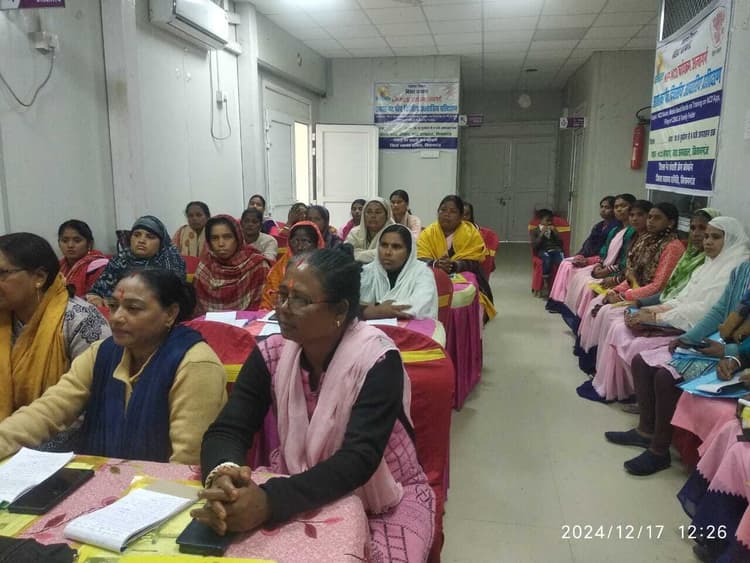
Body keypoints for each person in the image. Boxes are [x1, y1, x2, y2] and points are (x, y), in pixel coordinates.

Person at [194, 249, 435, 561]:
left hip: (383, 497)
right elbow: (228, 429)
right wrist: (225, 478)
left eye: (300, 300)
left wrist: (269, 503)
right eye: (282, 295)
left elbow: (359, 459)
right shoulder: (273, 352)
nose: (282, 308)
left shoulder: (377, 359)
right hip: (296, 480)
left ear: (340, 310)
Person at [0, 269, 227, 464]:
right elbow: (49, 410)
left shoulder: (196, 364)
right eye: (113, 306)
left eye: (133, 308)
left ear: (170, 314)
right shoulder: (102, 352)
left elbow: (188, 461)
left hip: (165, 490)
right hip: (104, 481)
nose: (117, 317)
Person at [606, 260, 750, 476]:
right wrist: (689, 338)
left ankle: (659, 451)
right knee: (641, 362)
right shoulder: (741, 269)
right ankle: (645, 432)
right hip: (724, 343)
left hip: (737, 353)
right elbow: (720, 310)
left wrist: (730, 352)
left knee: (665, 377)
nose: (706, 242)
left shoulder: (733, 261)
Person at [589, 216, 748, 404]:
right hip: (702, 330)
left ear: (731, 239)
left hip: (707, 333)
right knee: (615, 320)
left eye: (715, 237)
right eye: (705, 235)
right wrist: (648, 309)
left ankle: (630, 397)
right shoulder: (719, 265)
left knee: (645, 357)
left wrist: (655, 316)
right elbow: (681, 297)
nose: (706, 241)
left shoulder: (731, 265)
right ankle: (608, 381)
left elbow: (704, 309)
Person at [0, 233, 110, 421]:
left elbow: (94, 403)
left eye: (2, 273)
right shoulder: (5, 315)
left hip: (62, 433)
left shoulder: (81, 321)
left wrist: (20, 436)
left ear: (39, 277)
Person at [548, 194, 635, 321]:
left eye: (623, 206)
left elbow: (625, 259)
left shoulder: (632, 232)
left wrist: (605, 269)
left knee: (587, 286)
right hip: (602, 265)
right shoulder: (614, 229)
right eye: (616, 207)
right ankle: (559, 303)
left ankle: (582, 321)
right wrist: (593, 262)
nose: (619, 209)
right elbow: (603, 250)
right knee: (571, 269)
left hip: (616, 272)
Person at [417, 195, 496, 320]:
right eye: (443, 210)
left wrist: (454, 265)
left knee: (473, 302)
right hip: (432, 277)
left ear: (460, 216)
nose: (446, 214)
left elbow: (474, 262)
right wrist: (435, 264)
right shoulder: (427, 233)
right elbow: (419, 258)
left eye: (453, 211)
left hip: (466, 277)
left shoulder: (471, 233)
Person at [87, 215, 185, 307]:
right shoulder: (121, 258)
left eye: (150, 237)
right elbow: (98, 290)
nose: (141, 240)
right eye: (136, 235)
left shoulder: (171, 261)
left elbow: (170, 299)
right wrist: (95, 298)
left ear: (161, 243)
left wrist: (118, 302)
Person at [194, 215, 271, 315]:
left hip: (251, 322)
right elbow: (198, 312)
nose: (221, 243)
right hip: (208, 323)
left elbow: (263, 308)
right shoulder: (205, 266)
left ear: (238, 238)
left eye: (227, 237)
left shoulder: (257, 265)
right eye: (214, 238)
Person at [361, 224, 438, 321]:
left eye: (396, 247)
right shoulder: (367, 271)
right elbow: (351, 304)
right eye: (384, 245)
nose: (387, 252)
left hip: (410, 329)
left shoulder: (422, 272)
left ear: (409, 252)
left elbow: (418, 306)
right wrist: (372, 310)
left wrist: (374, 310)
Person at [260, 221, 325, 310]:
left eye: (305, 241)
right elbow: (268, 300)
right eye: (295, 241)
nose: (300, 247)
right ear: (289, 242)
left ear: (316, 244)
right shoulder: (280, 268)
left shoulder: (323, 269)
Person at [57, 220, 109, 297]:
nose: (70, 245)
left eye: (77, 241)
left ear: (90, 244)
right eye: (65, 241)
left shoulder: (98, 267)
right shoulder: (58, 266)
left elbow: (96, 298)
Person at [346, 197, 394, 264]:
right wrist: (373, 253)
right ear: (364, 214)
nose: (373, 216)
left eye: (378, 212)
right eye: (369, 212)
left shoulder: (394, 233)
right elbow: (345, 253)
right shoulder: (355, 232)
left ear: (387, 215)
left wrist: (357, 253)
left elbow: (386, 254)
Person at [530, 209, 565, 297]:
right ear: (541, 220)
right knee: (547, 259)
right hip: (543, 250)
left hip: (554, 249)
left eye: (551, 221)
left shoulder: (553, 230)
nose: (549, 223)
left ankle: (560, 284)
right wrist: (541, 234)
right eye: (547, 220)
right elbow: (534, 245)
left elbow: (560, 243)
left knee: (561, 262)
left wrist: (556, 233)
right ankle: (545, 281)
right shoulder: (535, 231)